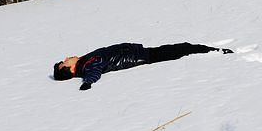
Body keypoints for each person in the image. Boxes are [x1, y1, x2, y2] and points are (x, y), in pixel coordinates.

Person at [53, 42, 233, 90]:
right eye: (65, 61)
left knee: (181, 48)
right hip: (142, 56)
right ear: (68, 69)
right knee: (182, 49)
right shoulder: (87, 65)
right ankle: (214, 51)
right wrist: (88, 82)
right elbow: (95, 70)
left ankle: (210, 50)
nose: (67, 57)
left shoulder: (85, 61)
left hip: (139, 54)